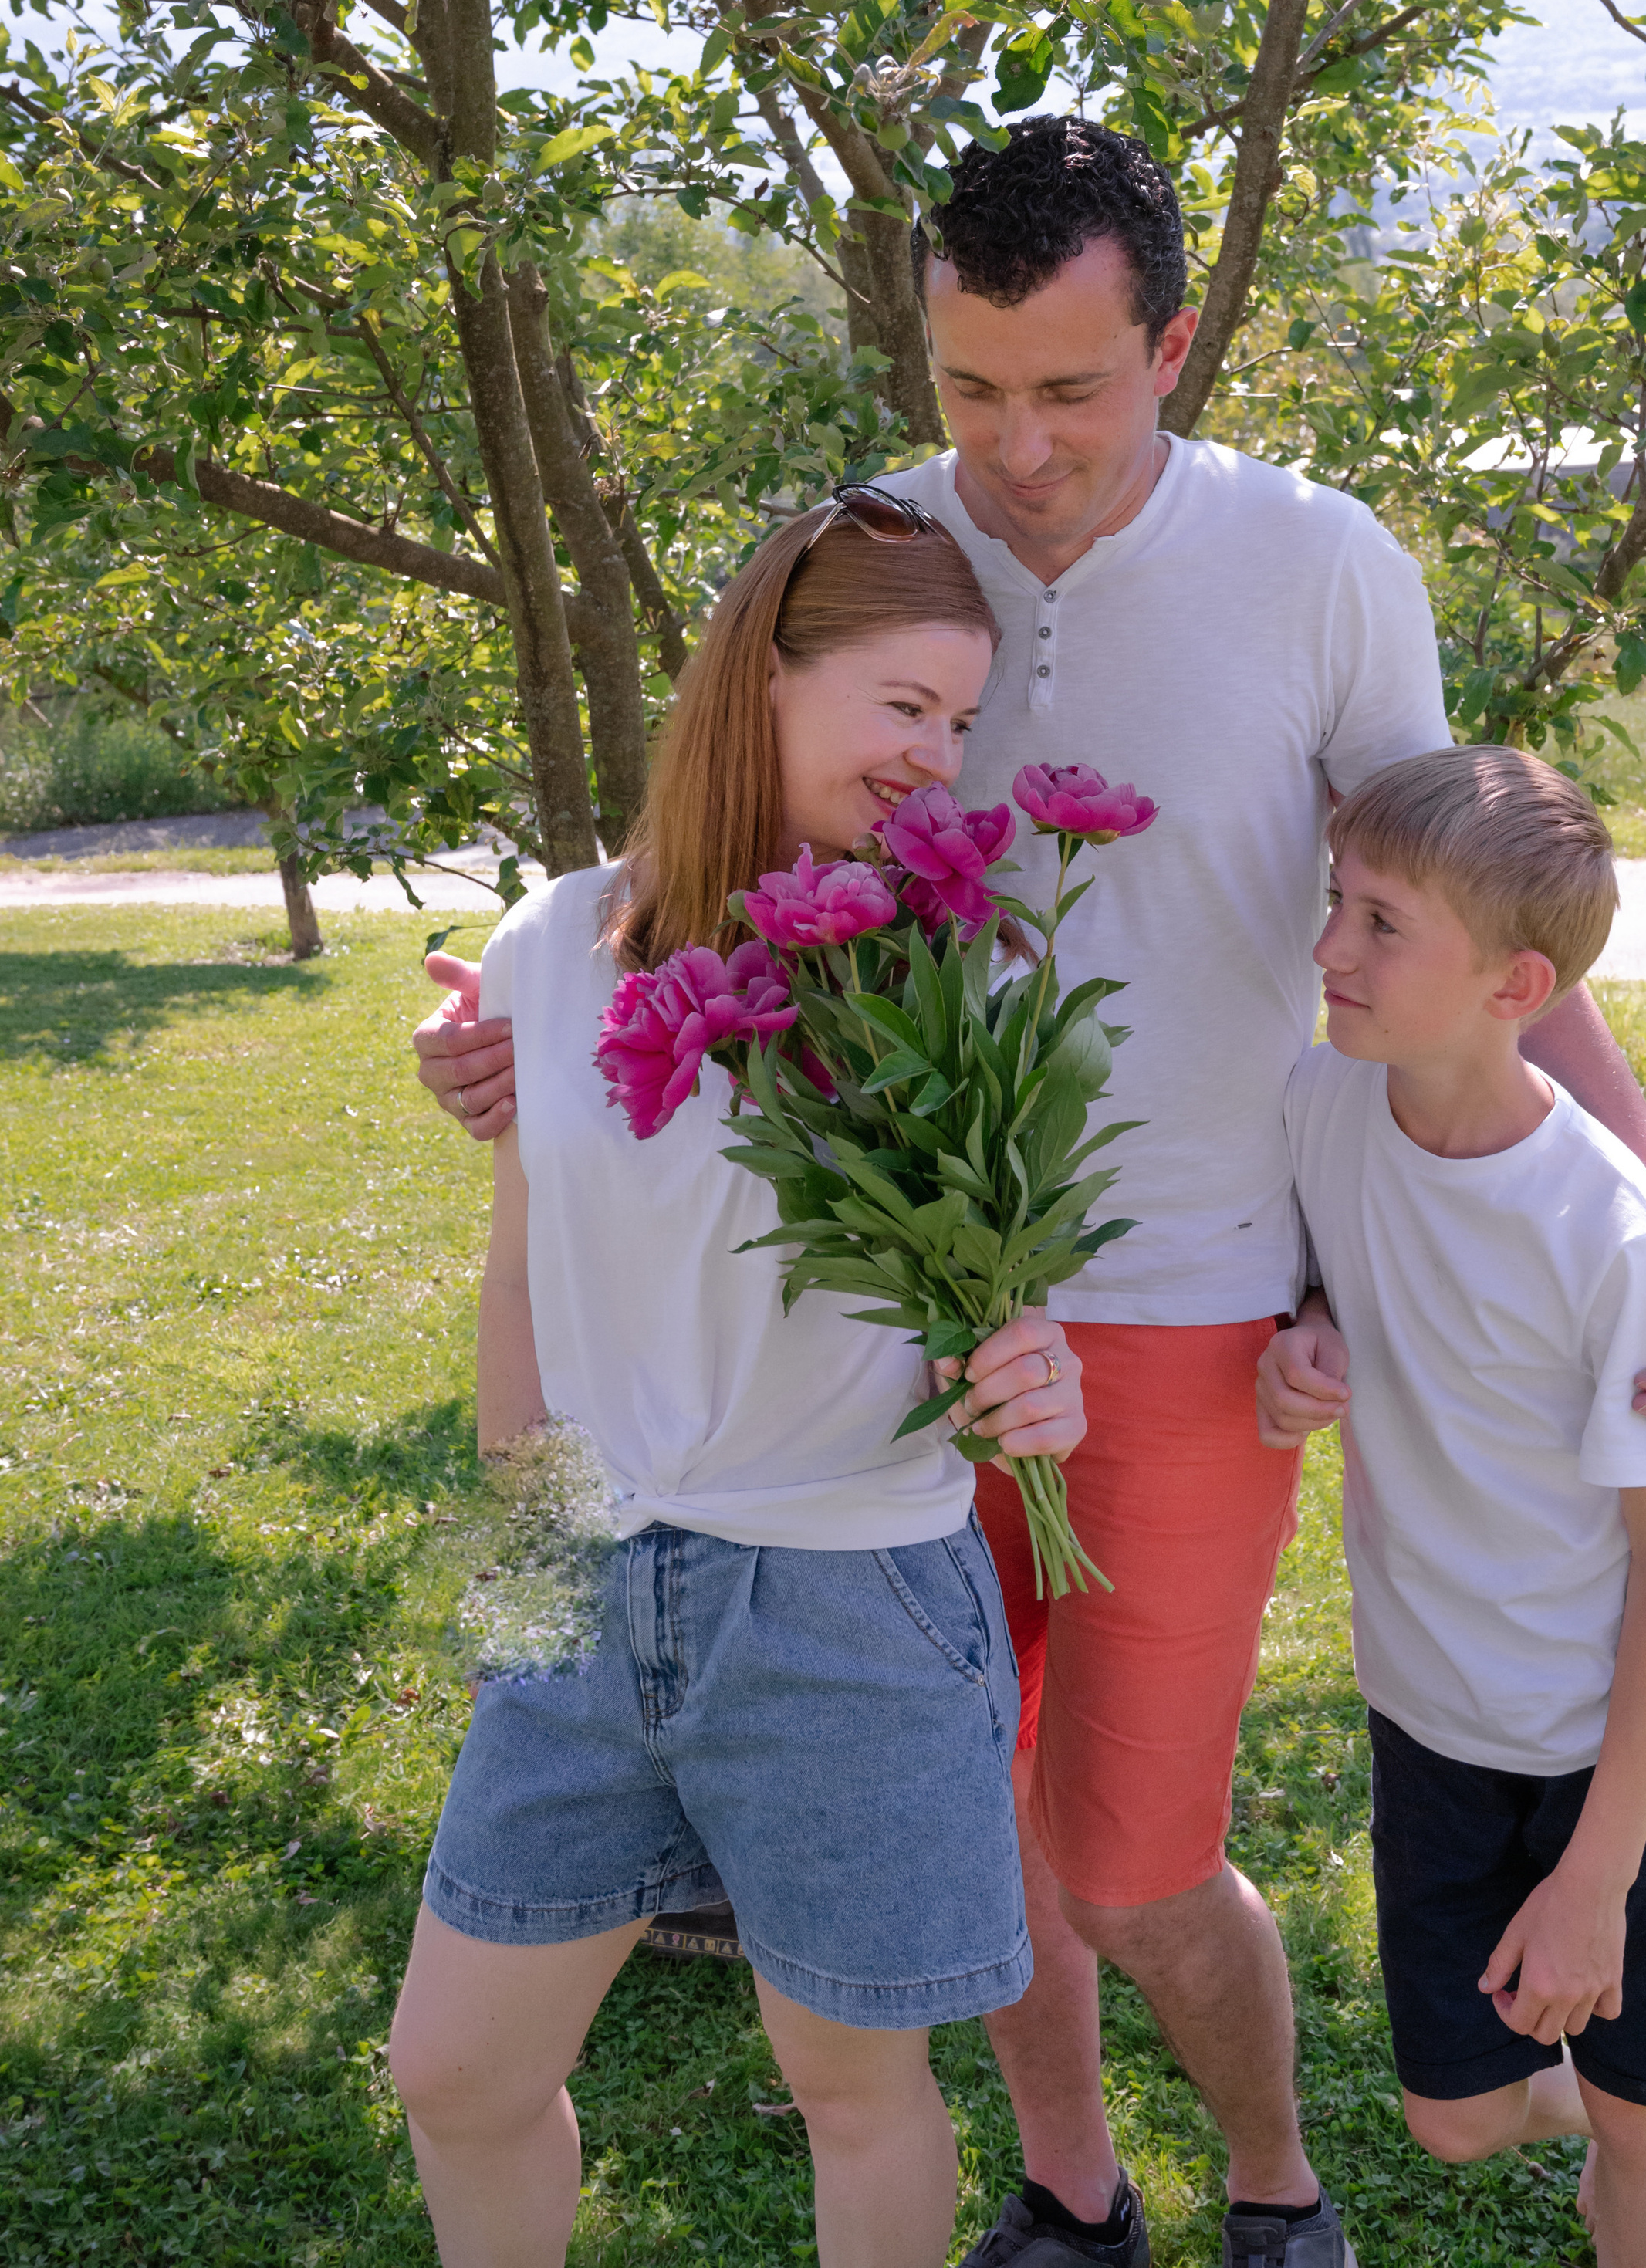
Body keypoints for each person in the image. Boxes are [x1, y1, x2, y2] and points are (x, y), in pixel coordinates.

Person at [415, 118, 1646, 2268]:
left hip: (1193, 1311)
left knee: (1131, 1856)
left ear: (1175, 342)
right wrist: (521, 1039)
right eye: (969, 387)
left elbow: (1467, 916)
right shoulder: (874, 562)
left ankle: (1272, 2180)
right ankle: (1071, 2189)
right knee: (976, 1838)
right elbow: (696, 903)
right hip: (888, 1328)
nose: (1016, 448)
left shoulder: (1319, 563)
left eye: (1070, 389)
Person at [388, 497, 1090, 2268]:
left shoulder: (956, 961)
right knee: (454, 2072)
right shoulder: (553, 945)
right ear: (759, 676)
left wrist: (1034, 1371)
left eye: (958, 720)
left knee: (849, 2086)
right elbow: (523, 1274)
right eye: (902, 704)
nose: (934, 756)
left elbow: (1004, 1290)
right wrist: (514, 1571)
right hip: (583, 1572)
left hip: (848, 1603)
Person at [1262, 747, 1646, 2268]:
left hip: (1625, 1739)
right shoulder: (1319, 1103)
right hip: (1433, 1720)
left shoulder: (1613, 1238)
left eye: (1380, 924)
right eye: (1336, 901)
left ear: (1516, 985)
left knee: (1645, 2118)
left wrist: (1595, 1879)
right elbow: (1321, 1271)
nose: (1327, 947)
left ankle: (1631, 2124)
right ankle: (1598, 2110)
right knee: (1456, 2116)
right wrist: (1302, 1330)